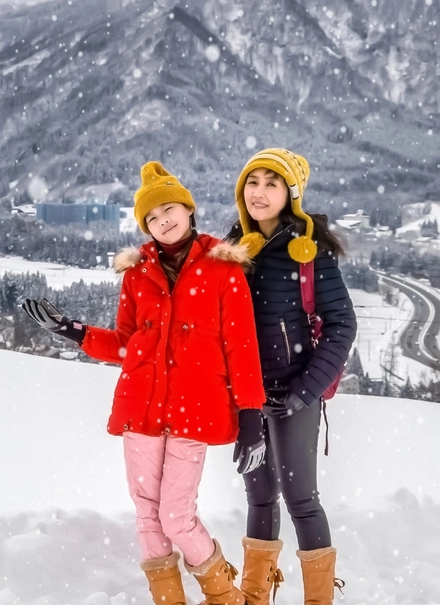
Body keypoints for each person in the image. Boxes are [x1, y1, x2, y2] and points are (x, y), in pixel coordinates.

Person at [22, 161, 267, 605]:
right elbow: (123, 344)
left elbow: (242, 347)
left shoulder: (223, 270)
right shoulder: (137, 274)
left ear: (189, 210)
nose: (162, 221)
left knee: (176, 516)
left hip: (194, 413)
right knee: (148, 517)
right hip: (141, 410)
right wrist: (75, 332)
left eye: (169, 209)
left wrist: (251, 414)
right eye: (152, 217)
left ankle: (226, 597)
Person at [225, 149, 357, 605]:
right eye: (252, 182)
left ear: (290, 194)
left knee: (301, 499)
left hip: (295, 392)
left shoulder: (308, 250)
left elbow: (342, 325)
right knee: (259, 498)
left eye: (271, 183)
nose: (258, 192)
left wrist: (306, 391)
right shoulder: (233, 247)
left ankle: (319, 600)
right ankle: (255, 596)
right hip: (247, 395)